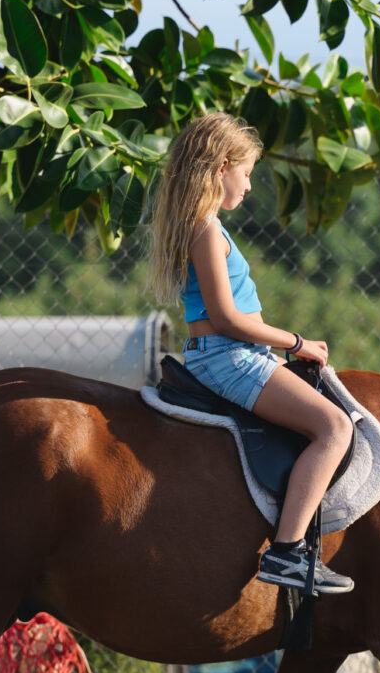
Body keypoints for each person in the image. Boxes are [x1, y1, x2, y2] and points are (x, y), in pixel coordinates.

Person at [148, 112, 355, 595]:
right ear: (223, 167)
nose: (248, 185)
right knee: (334, 427)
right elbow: (225, 317)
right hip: (227, 356)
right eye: (247, 173)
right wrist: (297, 343)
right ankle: (286, 553)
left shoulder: (205, 226)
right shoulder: (205, 230)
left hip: (232, 353)